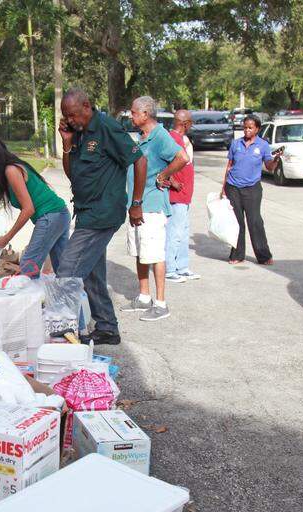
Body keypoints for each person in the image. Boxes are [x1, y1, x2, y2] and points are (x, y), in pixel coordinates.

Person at [57, 88, 147, 345]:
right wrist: (67, 143)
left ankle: (61, 332)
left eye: (73, 115)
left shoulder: (106, 127)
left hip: (103, 212)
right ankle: (107, 328)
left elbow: (139, 161)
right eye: (66, 117)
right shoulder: (81, 135)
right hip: (87, 212)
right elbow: (73, 174)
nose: (70, 120)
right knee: (93, 272)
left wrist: (136, 203)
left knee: (68, 270)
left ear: (87, 106)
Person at [0, 133, 71, 277]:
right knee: (63, 272)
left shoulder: (11, 170)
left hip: (51, 216)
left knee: (28, 267)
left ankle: (30, 298)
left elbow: (28, 209)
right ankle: (69, 298)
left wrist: (7, 238)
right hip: (59, 215)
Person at [122, 96, 187, 322]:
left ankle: (161, 303)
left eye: (133, 113)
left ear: (145, 114)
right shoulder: (142, 137)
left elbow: (182, 157)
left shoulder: (160, 136)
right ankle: (143, 297)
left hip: (152, 206)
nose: (131, 116)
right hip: (136, 205)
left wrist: (164, 175)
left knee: (155, 254)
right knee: (140, 252)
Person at [219, 114, 281, 265]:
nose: (246, 130)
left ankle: (264, 256)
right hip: (233, 187)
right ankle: (237, 255)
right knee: (237, 223)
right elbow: (229, 166)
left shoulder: (263, 145)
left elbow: (269, 167)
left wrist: (276, 160)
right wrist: (223, 187)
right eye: (245, 127)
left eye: (250, 128)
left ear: (257, 129)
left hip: (252, 189)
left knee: (255, 221)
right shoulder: (236, 144)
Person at [166, 109, 198, 282]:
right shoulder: (172, 139)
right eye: (191, 122)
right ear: (185, 123)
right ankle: (169, 269)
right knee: (174, 232)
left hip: (185, 195)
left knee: (183, 232)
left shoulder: (183, 139)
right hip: (176, 195)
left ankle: (182, 267)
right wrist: (171, 180)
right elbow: (163, 162)